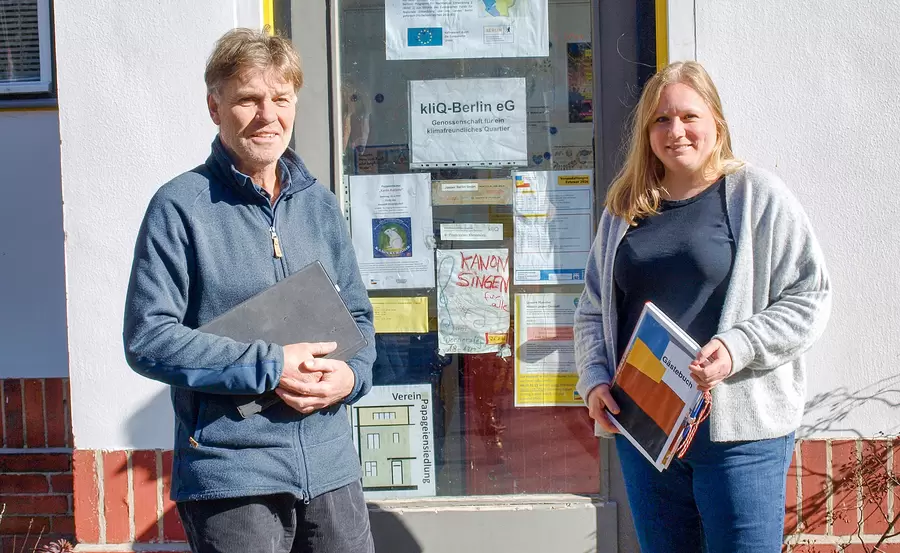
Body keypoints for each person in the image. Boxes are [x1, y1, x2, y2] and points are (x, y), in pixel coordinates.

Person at [123, 28, 376, 553]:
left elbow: (359, 320)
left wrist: (350, 377)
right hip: (232, 475)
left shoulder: (321, 206)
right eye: (248, 99)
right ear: (215, 107)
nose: (268, 115)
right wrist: (270, 364)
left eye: (281, 98)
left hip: (331, 469)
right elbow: (149, 339)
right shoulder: (180, 207)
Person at [573, 61, 831, 553]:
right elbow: (592, 308)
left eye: (689, 117)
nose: (676, 131)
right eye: (661, 120)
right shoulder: (626, 207)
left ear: (717, 122)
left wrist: (738, 346)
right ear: (647, 132)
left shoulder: (757, 196)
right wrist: (594, 379)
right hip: (648, 430)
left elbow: (810, 295)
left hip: (738, 438)